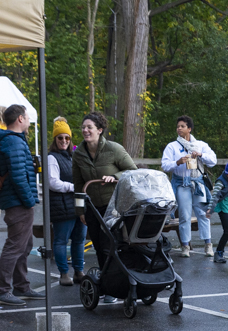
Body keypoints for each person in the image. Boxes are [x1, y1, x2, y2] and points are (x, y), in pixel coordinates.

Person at [0, 105, 42, 307]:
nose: (28, 121)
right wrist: (28, 201)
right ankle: (3, 290)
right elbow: (18, 177)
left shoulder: (14, 141)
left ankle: (21, 286)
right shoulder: (13, 142)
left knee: (25, 245)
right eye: (26, 117)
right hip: (18, 203)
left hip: (17, 201)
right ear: (19, 119)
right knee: (15, 246)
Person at [160, 115, 217, 257]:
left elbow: (213, 160)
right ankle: (185, 246)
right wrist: (177, 162)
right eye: (178, 126)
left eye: (182, 126)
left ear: (189, 129)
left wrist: (201, 154)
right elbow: (165, 165)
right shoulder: (172, 146)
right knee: (184, 216)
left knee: (203, 214)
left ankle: (208, 245)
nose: (179, 128)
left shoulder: (200, 145)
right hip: (182, 184)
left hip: (198, 183)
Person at [47, 118, 87, 286]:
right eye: (60, 138)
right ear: (55, 140)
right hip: (61, 206)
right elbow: (52, 182)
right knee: (61, 241)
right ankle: (64, 273)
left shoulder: (74, 155)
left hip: (78, 204)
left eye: (67, 138)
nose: (64, 141)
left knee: (79, 240)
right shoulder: (52, 158)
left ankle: (78, 271)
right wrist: (75, 187)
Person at [72, 111, 136, 215]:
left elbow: (133, 171)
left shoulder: (114, 149)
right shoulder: (78, 154)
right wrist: (80, 211)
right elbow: (78, 184)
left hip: (114, 207)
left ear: (99, 130)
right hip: (91, 207)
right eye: (83, 127)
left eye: (89, 127)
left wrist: (114, 177)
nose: (85, 130)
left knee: (110, 232)